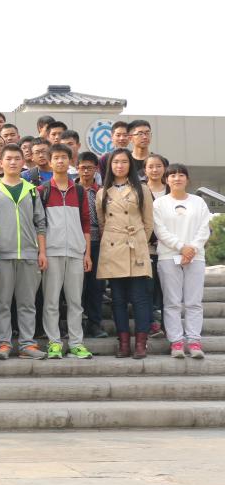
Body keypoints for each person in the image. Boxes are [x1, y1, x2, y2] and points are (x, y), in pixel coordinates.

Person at [0, 144, 48, 360]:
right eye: (9, 158)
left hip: (29, 254)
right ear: (1, 162)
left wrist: (42, 252)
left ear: (23, 162)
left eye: (17, 158)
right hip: (1, 255)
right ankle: (3, 343)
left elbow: (40, 223)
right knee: (1, 303)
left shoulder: (32, 190)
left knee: (27, 303)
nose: (13, 162)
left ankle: (27, 344)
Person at [97, 148, 154, 359]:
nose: (119, 166)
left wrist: (138, 241)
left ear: (130, 165)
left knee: (140, 298)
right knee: (118, 299)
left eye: (124, 162)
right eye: (115, 162)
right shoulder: (103, 193)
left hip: (135, 247)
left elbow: (148, 223)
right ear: (109, 166)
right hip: (113, 248)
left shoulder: (142, 189)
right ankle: (123, 343)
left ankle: (141, 343)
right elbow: (103, 223)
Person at [38, 144, 93, 359]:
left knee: (75, 302)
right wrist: (42, 252)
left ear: (71, 162)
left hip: (76, 253)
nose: (60, 161)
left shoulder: (79, 191)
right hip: (52, 253)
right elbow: (39, 225)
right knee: (51, 301)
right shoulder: (42, 191)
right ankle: (54, 343)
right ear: (50, 162)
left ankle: (76, 344)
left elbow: (86, 224)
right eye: (56, 157)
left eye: (64, 157)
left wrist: (87, 254)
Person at [154, 163, 212, 359]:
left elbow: (204, 228)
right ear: (166, 180)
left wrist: (192, 248)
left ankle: (194, 341)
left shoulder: (198, 202)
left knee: (194, 302)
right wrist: (181, 247)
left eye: (181, 175)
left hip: (196, 257)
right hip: (168, 256)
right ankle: (176, 342)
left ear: (187, 179)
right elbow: (160, 230)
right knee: (172, 302)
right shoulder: (159, 204)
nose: (177, 178)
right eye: (172, 175)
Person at [77, 151, 108, 338]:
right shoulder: (72, 189)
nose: (86, 171)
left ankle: (95, 324)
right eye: (83, 168)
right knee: (76, 286)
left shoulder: (102, 192)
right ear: (77, 168)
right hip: (75, 241)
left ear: (96, 169)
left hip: (98, 242)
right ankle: (77, 323)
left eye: (90, 168)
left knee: (96, 286)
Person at [145, 154, 169, 337]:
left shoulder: (172, 189)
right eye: (150, 166)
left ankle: (168, 325)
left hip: (170, 249)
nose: (155, 170)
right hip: (148, 248)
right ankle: (152, 322)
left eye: (158, 166)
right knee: (149, 288)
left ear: (165, 169)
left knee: (167, 289)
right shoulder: (140, 189)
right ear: (145, 170)